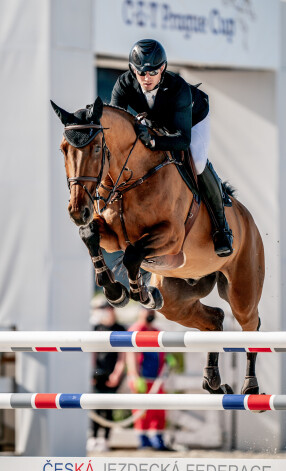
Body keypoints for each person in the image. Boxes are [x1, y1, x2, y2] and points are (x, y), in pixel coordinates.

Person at [110, 38, 233, 257]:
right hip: (157, 122)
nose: (146, 78)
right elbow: (115, 125)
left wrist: (154, 142)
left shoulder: (178, 88)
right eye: (141, 72)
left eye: (153, 72)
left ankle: (222, 228)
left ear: (163, 68)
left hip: (191, 121)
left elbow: (182, 140)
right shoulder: (124, 84)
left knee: (196, 161)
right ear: (132, 70)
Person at [127, 307, 169, 450]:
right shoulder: (136, 330)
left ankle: (158, 438)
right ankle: (143, 440)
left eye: (151, 311)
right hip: (142, 377)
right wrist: (134, 376)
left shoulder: (157, 332)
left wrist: (168, 360)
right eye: (147, 311)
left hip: (156, 378)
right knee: (141, 411)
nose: (150, 313)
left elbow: (163, 352)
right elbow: (131, 354)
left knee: (158, 409)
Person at [87, 297, 126, 453]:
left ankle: (106, 439)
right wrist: (91, 372)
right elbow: (93, 353)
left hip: (113, 371)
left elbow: (123, 355)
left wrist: (117, 373)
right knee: (95, 406)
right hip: (98, 371)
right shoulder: (96, 327)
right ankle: (94, 437)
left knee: (109, 407)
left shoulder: (120, 328)